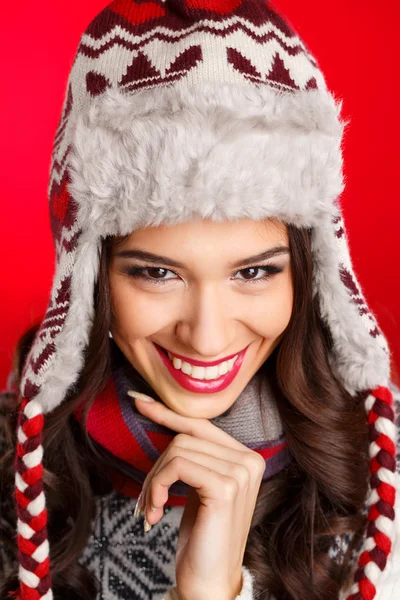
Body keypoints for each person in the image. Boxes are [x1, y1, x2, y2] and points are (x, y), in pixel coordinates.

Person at [1, 1, 399, 599]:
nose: (208, 337)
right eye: (158, 273)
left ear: (309, 274)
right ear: (89, 281)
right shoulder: (18, 473)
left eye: (255, 272)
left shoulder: (380, 478)